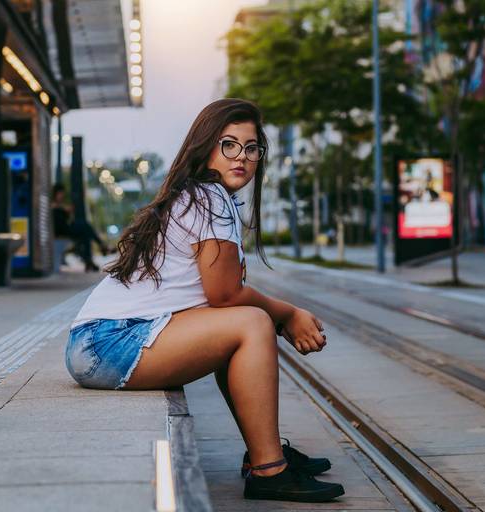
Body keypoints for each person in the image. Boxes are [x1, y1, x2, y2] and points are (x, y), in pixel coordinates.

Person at [65, 99, 345, 502]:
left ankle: (264, 453)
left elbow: (219, 299)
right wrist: (288, 315)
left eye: (252, 148)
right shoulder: (208, 198)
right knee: (251, 322)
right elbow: (225, 293)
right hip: (108, 343)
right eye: (229, 144)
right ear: (205, 147)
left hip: (100, 342)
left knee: (242, 324)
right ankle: (269, 470)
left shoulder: (207, 197)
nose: (242, 157)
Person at [51, 183, 108, 272]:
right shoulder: (53, 205)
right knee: (84, 226)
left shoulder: (62, 205)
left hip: (65, 229)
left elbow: (69, 220)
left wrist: (68, 212)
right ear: (55, 193)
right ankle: (100, 246)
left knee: (85, 236)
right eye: (60, 193)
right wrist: (64, 209)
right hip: (60, 231)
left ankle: (89, 261)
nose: (62, 195)